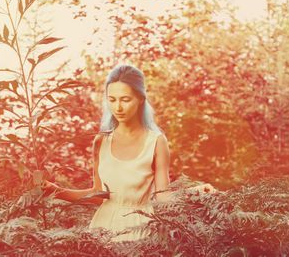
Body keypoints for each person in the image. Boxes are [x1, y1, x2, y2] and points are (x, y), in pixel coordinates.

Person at [43, 64, 215, 242]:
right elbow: (99, 195)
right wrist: (55, 191)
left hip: (140, 229)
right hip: (102, 230)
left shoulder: (156, 141)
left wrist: (194, 193)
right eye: (112, 99)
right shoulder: (101, 141)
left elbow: (163, 197)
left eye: (125, 99)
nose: (118, 107)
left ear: (140, 99)